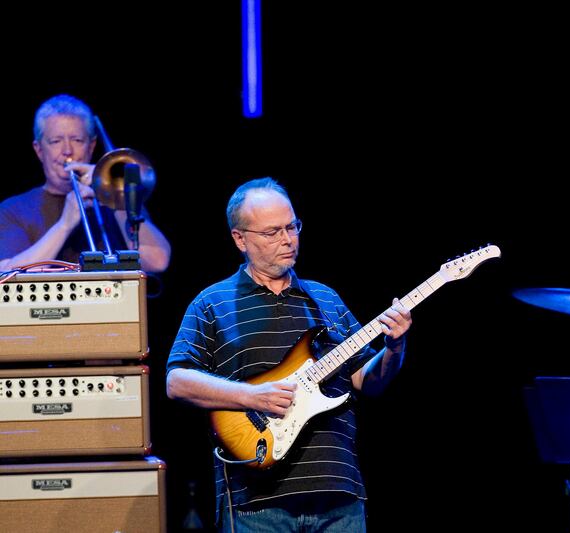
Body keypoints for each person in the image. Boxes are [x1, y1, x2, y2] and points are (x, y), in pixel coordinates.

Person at [166, 177, 411, 532]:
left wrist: (395, 347)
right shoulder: (211, 303)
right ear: (240, 239)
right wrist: (252, 396)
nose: (288, 239)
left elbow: (365, 381)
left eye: (292, 226)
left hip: (338, 495)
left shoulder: (326, 298)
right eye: (272, 232)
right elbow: (176, 382)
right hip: (257, 503)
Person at [0, 94, 171, 272]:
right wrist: (64, 226)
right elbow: (6, 274)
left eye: (77, 140)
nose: (67, 150)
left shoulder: (120, 199)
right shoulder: (13, 209)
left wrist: (114, 197)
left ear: (91, 146)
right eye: (56, 141)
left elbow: (158, 262)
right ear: (39, 150)